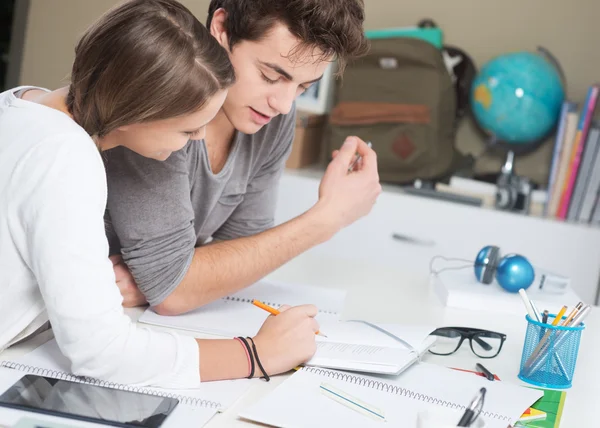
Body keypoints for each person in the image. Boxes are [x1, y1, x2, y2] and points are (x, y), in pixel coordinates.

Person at [0, 0, 322, 387]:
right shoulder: (67, 156)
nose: (199, 138)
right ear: (136, 107)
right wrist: (257, 354)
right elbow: (101, 353)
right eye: (187, 131)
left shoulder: (21, 104)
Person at [105, 0, 382, 315]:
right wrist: (327, 219)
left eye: (303, 86)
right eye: (270, 76)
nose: (284, 105)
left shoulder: (272, 117)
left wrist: (181, 276)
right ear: (221, 29)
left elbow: (247, 251)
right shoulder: (162, 97)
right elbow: (173, 291)